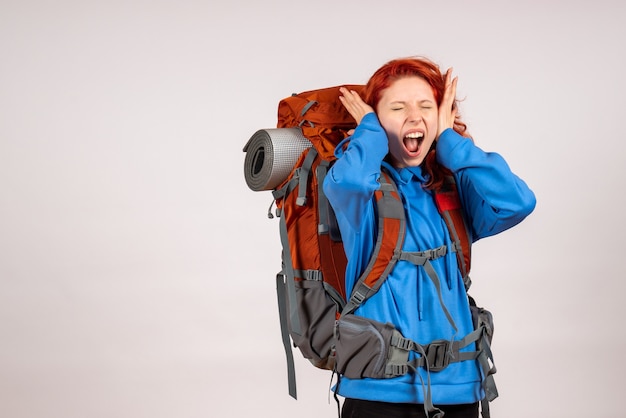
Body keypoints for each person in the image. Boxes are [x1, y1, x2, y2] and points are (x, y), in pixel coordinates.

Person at [323, 56, 536, 418]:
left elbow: (517, 202)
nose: (414, 116)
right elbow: (349, 181)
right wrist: (369, 133)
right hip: (378, 392)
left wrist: (451, 143)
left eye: (426, 106)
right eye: (397, 107)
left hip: (460, 388)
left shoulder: (452, 187)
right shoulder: (360, 191)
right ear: (373, 119)